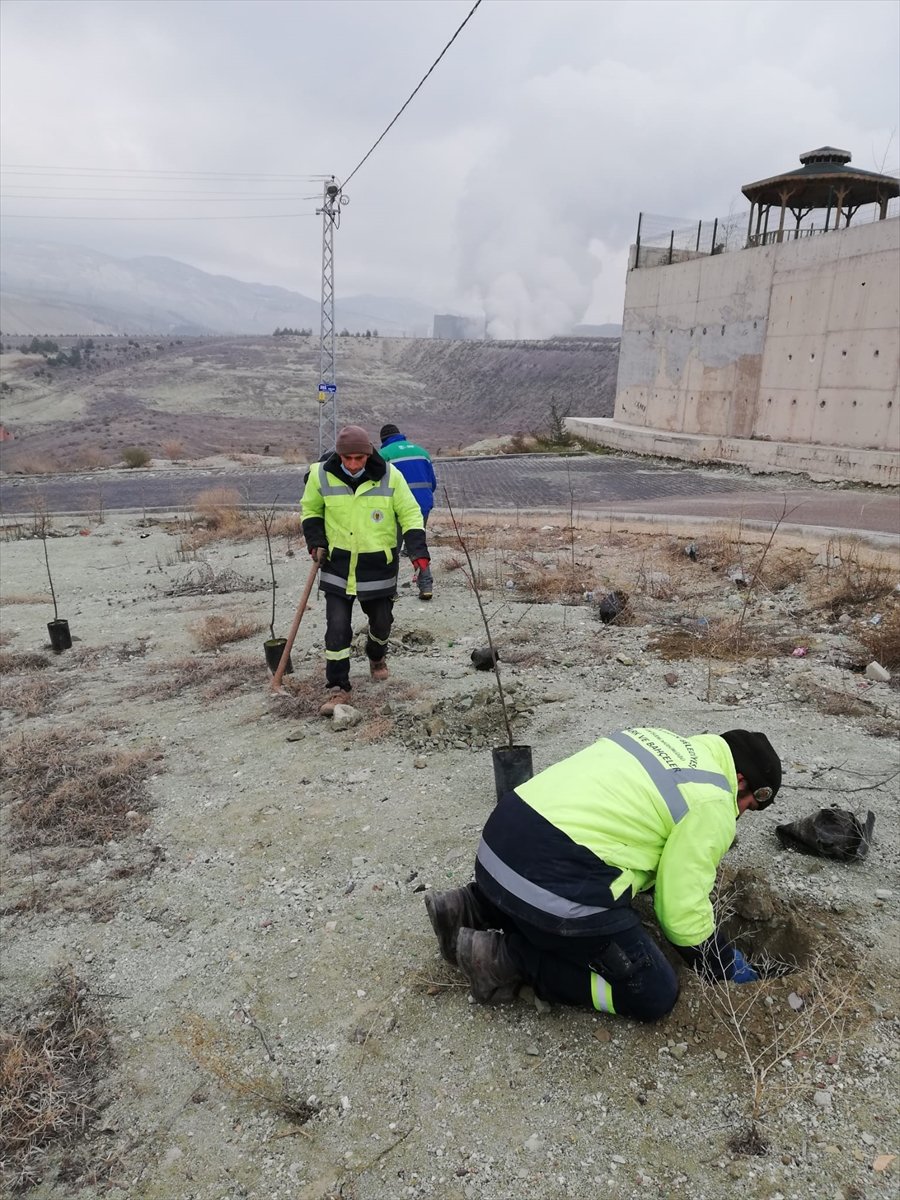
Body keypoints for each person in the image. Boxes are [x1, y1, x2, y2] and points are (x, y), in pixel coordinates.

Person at [424, 727, 782, 1021]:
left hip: (498, 846)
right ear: (740, 779)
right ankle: (504, 959)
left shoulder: (656, 739)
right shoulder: (714, 802)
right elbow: (680, 912)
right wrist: (721, 966)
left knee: (560, 874)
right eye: (748, 804)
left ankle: (467, 907)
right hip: (547, 876)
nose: (740, 814)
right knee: (653, 992)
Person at [301, 425, 430, 715]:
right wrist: (315, 541)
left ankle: (376, 655)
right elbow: (311, 510)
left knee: (382, 624)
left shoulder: (390, 476)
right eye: (347, 459)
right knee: (336, 629)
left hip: (378, 566)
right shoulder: (321, 474)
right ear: (339, 455)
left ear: (368, 454)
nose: (353, 464)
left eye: (359, 458)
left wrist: (418, 551)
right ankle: (338, 687)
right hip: (337, 563)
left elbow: (410, 513)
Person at [379, 424, 437, 600]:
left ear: (383, 440)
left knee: (392, 549)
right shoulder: (422, 452)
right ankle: (426, 586)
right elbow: (432, 483)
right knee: (417, 545)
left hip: (398, 508)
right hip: (422, 505)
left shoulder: (384, 455)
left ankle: (390, 591)